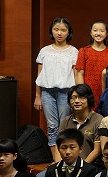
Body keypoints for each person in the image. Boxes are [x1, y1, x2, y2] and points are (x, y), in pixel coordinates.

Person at [34, 17, 79, 161]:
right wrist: (37, 96)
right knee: (52, 126)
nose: (59, 33)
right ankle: (56, 160)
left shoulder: (73, 51)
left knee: (64, 125)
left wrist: (76, 96)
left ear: (68, 32)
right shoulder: (45, 51)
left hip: (66, 92)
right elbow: (39, 75)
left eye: (63, 30)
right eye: (56, 29)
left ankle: (67, 158)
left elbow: (76, 75)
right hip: (47, 92)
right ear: (52, 31)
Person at [58, 84, 104, 168]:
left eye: (81, 97)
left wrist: (80, 167)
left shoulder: (99, 120)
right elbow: (59, 146)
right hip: (67, 165)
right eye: (73, 97)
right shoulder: (65, 121)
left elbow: (97, 150)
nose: (76, 101)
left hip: (90, 166)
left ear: (88, 99)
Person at [75, 20, 108, 109]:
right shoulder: (84, 51)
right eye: (95, 30)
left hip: (106, 92)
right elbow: (79, 74)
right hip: (88, 92)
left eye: (102, 31)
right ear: (91, 33)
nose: (98, 33)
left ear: (106, 34)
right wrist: (82, 94)